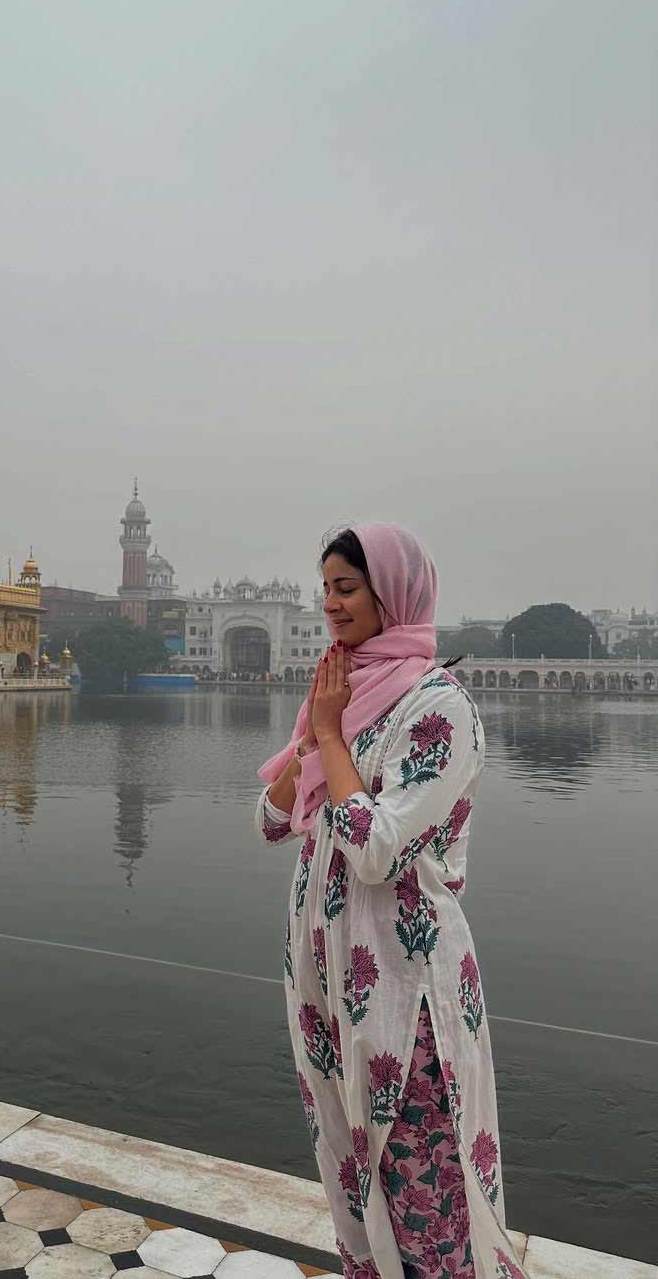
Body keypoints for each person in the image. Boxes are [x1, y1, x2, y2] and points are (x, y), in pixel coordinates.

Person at [255, 524, 525, 1279]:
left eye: (347, 588)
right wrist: (315, 739)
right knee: (352, 1175)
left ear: (393, 594)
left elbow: (378, 851)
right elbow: (273, 821)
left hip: (408, 990)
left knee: (424, 1184)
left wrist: (333, 741)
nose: (331, 605)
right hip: (330, 980)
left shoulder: (439, 709)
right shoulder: (350, 693)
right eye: (327, 588)